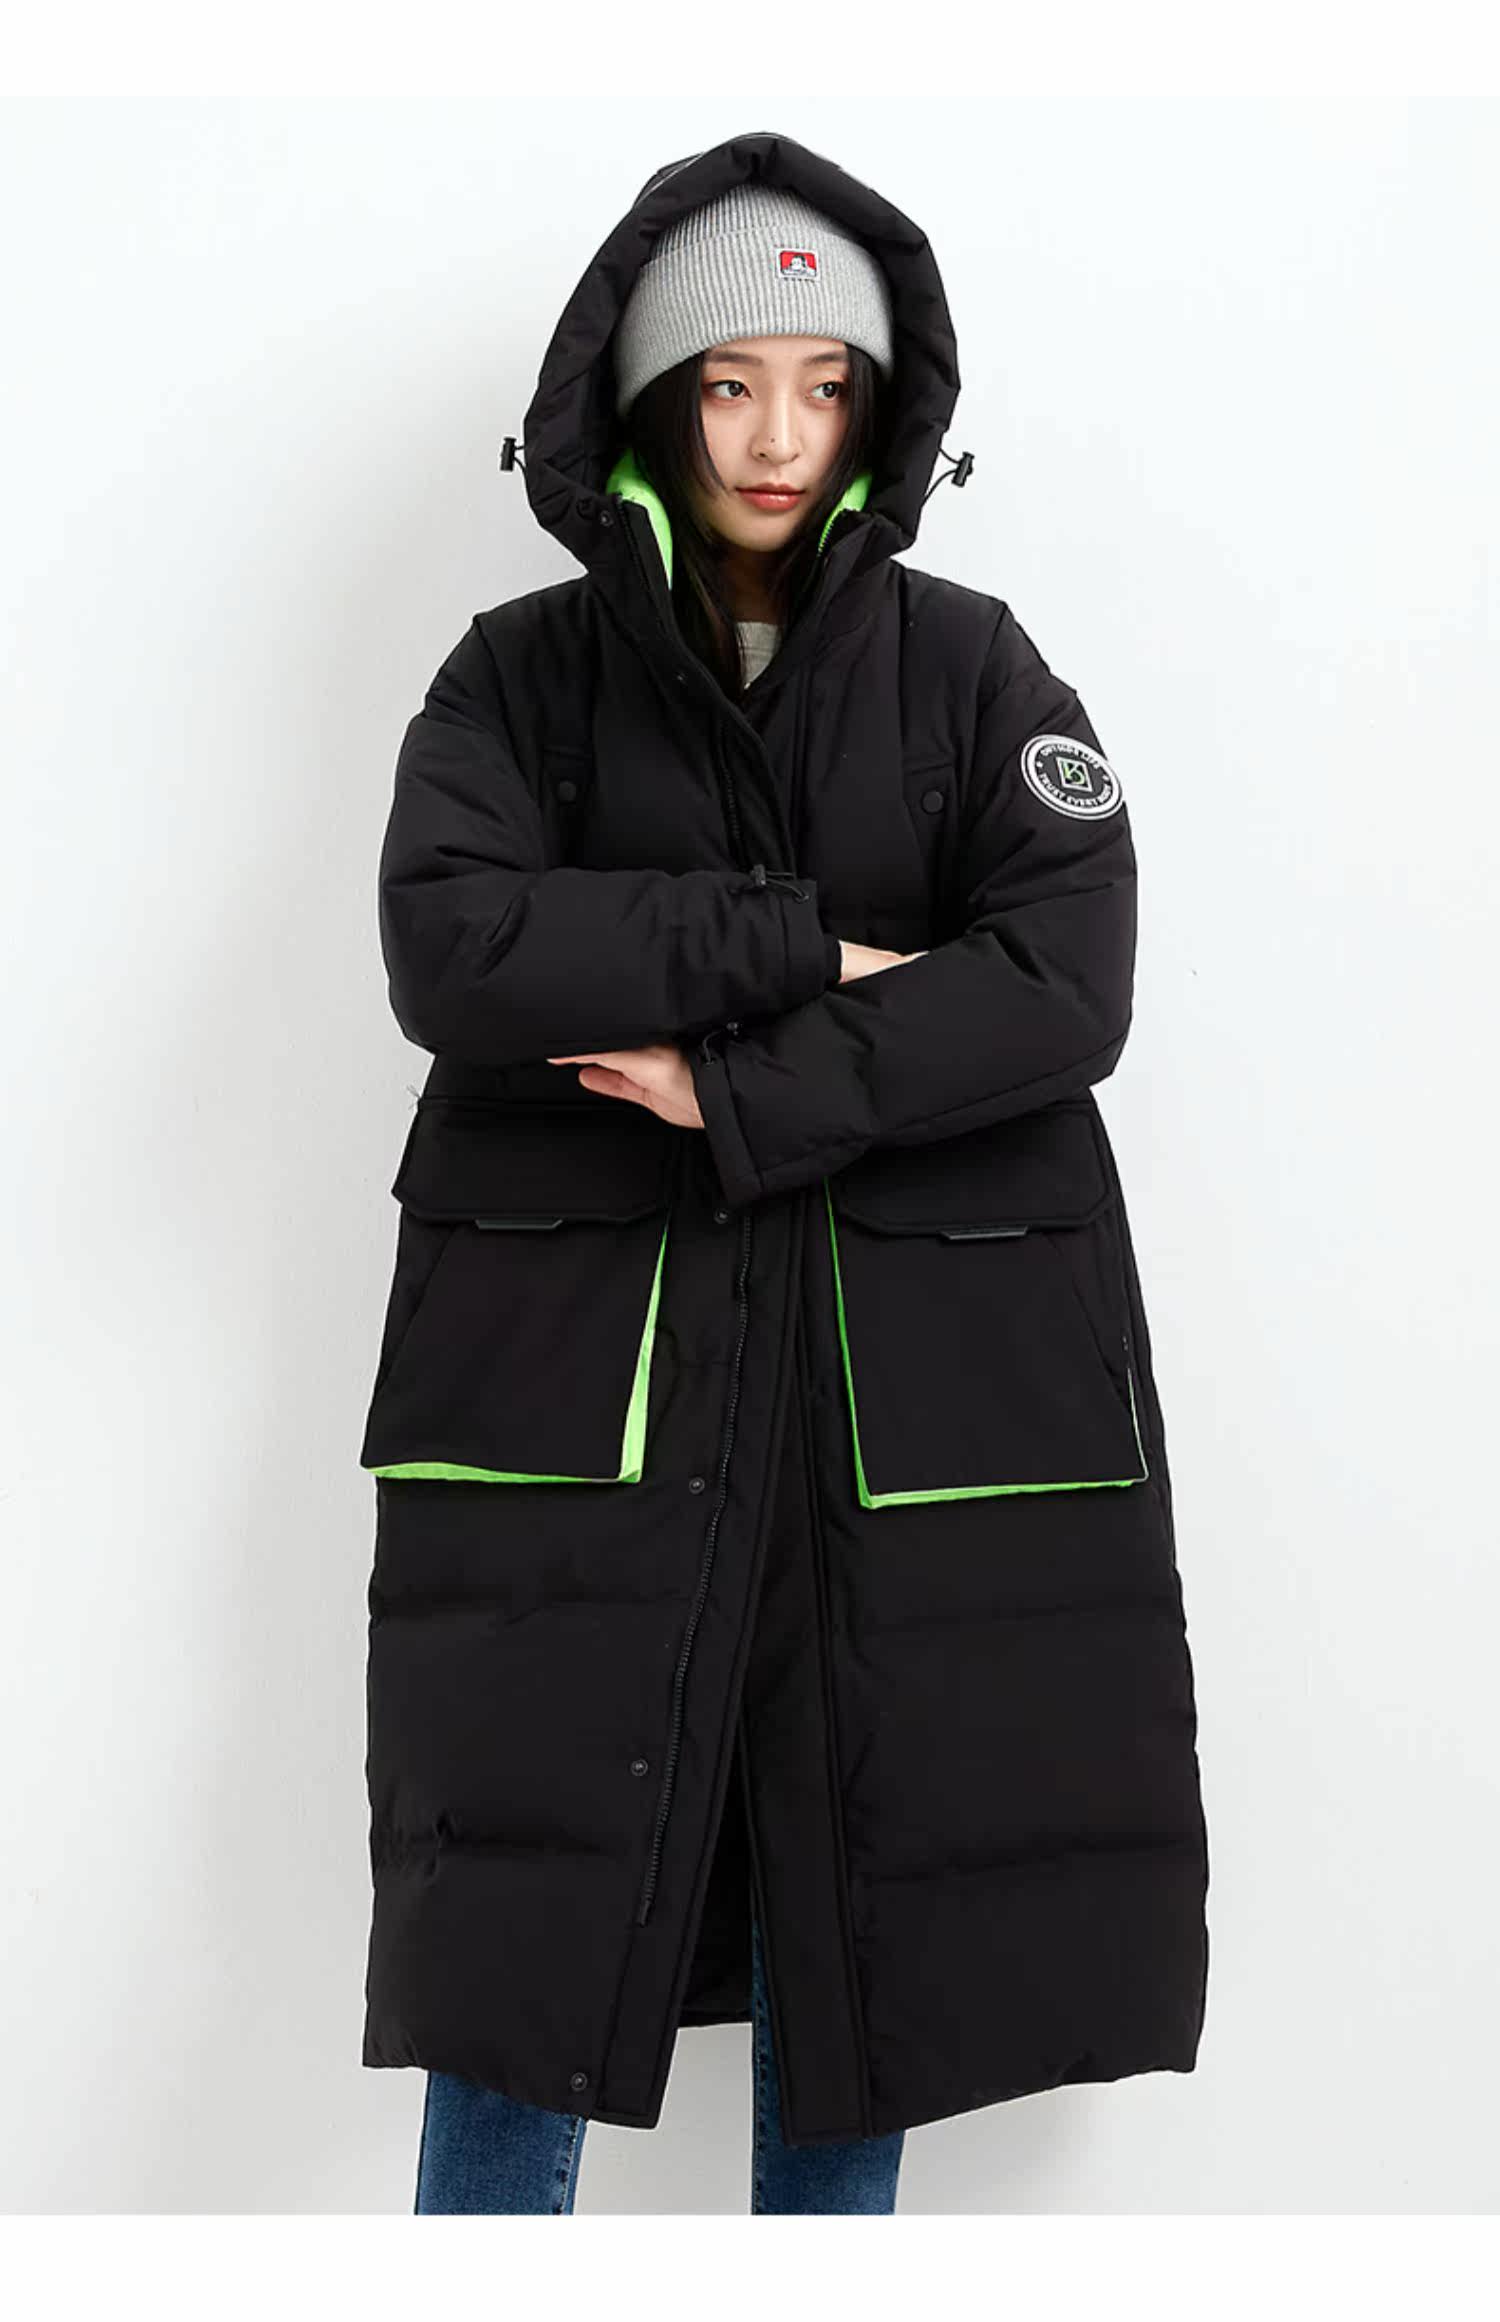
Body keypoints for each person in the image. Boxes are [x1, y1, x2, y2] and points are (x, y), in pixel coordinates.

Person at [359, 131, 1210, 2218]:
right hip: (585, 1391)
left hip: (894, 1401)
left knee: (867, 1927)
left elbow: (1067, 978)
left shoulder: (976, 672)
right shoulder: (516, 678)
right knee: (525, 1941)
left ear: (878, 412)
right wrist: (807, 949)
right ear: (655, 398)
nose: (775, 437)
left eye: (826, 387)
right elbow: (452, 946)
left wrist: (738, 1092)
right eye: (733, 383)